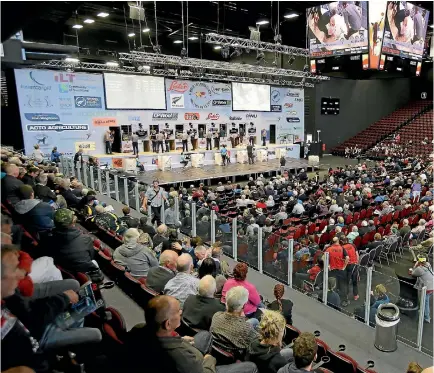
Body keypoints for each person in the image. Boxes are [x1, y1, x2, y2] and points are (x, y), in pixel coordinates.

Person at [124, 295, 257, 373]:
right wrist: (209, 359)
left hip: (185, 352)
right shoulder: (182, 358)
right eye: (177, 311)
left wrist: (181, 339)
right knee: (251, 367)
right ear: (167, 324)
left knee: (206, 335)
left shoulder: (138, 328)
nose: (181, 312)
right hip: (201, 367)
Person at [44, 208, 98, 273]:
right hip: (83, 271)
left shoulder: (48, 238)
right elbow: (91, 257)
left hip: (63, 270)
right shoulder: (85, 239)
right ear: (73, 222)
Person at [211, 286, 259, 356]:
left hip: (213, 352)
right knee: (255, 321)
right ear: (243, 306)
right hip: (231, 361)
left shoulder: (216, 316)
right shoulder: (246, 329)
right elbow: (258, 343)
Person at [325, 237, 349, 306]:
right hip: (340, 269)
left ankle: (332, 301)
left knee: (333, 285)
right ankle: (344, 301)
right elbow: (347, 258)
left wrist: (328, 265)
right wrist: (344, 266)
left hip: (333, 269)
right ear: (338, 241)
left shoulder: (329, 249)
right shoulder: (342, 248)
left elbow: (324, 257)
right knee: (343, 285)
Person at [411, 257, 434, 324]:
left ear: (420, 262)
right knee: (426, 301)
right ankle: (422, 311)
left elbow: (413, 273)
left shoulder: (420, 269)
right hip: (432, 285)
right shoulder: (428, 265)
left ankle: (427, 318)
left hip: (427, 288)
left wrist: (416, 264)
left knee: (425, 303)